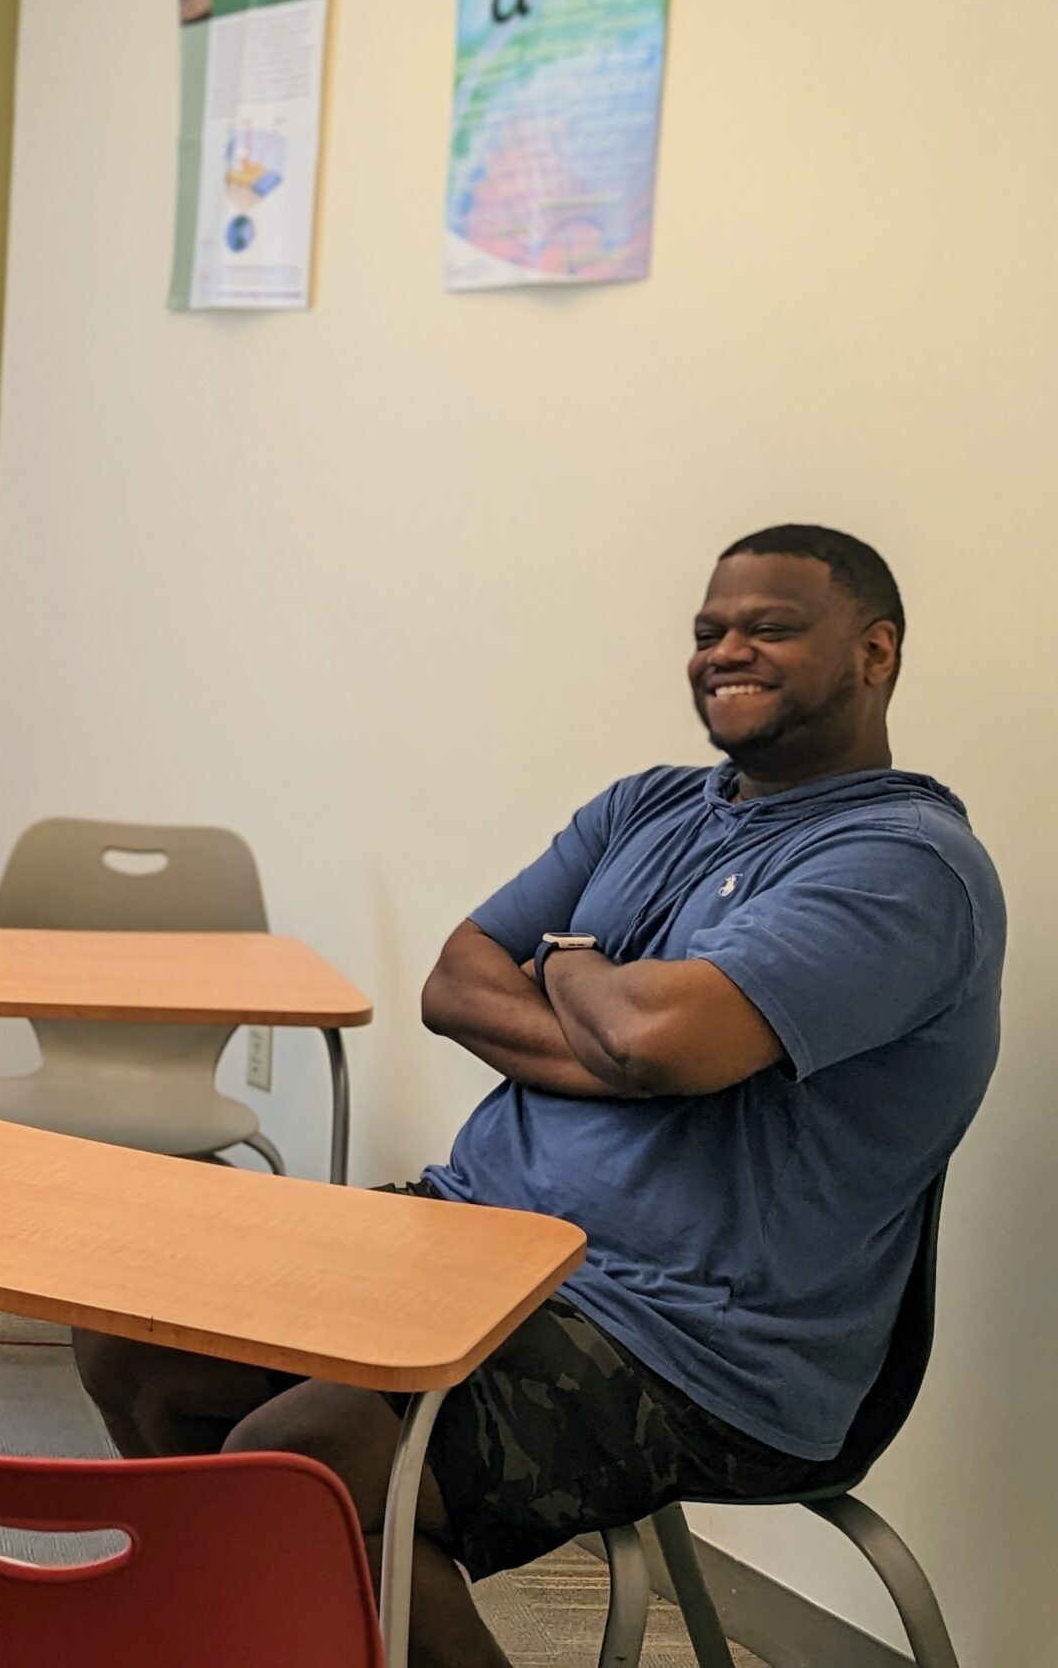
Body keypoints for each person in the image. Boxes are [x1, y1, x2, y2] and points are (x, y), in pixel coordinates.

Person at [72, 525, 1003, 1667]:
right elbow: (452, 983)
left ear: (874, 650)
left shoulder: (903, 863)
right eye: (708, 629)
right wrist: (611, 1016)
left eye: (768, 626)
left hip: (688, 1334)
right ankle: (256, 1618)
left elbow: (662, 1042)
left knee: (303, 1459)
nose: (725, 650)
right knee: (133, 1340)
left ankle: (281, 1585)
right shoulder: (646, 806)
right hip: (471, 1230)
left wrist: (562, 953)